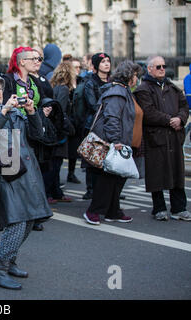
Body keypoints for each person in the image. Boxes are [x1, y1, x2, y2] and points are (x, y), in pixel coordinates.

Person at [0, 73, 53, 290]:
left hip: (28, 171)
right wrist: (3, 113)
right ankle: (0, 270)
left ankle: (11, 260)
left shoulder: (16, 111)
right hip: (4, 174)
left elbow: (37, 135)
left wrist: (33, 113)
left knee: (32, 218)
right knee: (17, 221)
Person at [3, 46, 55, 232]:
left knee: (34, 172)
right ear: (21, 61)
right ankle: (18, 214)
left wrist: (42, 110)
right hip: (14, 132)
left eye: (39, 58)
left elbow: (41, 101)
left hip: (32, 130)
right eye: (33, 58)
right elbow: (3, 107)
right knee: (18, 173)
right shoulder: (8, 81)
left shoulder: (35, 81)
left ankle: (34, 214)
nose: (38, 62)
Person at [83, 60, 141, 225]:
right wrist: (116, 140)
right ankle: (93, 211)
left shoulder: (123, 91)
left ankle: (113, 211)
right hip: (112, 142)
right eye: (135, 75)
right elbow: (112, 117)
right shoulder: (117, 92)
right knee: (107, 179)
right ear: (129, 76)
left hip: (119, 140)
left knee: (116, 177)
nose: (136, 79)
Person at [134, 56, 190, 221]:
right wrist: (169, 120)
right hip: (156, 137)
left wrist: (180, 118)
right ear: (150, 69)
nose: (162, 69)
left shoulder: (172, 87)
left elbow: (184, 106)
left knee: (177, 174)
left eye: (164, 66)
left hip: (173, 136)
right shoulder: (143, 89)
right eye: (158, 66)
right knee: (157, 174)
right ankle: (159, 208)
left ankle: (179, 208)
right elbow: (148, 112)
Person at [82, 52, 111, 200]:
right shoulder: (90, 83)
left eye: (108, 61)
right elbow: (93, 105)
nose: (106, 64)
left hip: (110, 124)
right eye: (103, 61)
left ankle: (107, 189)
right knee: (92, 159)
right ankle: (91, 189)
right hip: (94, 124)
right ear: (96, 65)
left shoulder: (113, 82)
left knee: (108, 158)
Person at [45, 61, 76, 202]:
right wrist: (69, 128)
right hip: (58, 133)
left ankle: (56, 191)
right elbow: (61, 112)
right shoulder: (63, 89)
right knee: (55, 165)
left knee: (54, 164)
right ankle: (50, 193)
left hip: (53, 131)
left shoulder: (54, 87)